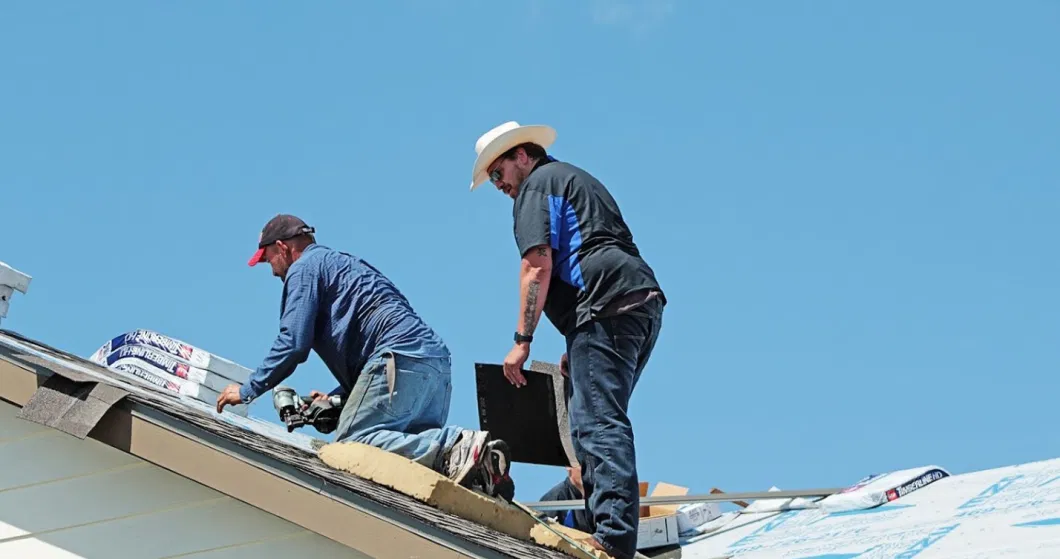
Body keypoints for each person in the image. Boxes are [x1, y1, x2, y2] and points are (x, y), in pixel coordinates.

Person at [468, 121, 666, 559]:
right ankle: (597, 520)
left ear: (521, 155)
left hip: (606, 310)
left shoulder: (536, 188)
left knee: (597, 422)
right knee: (590, 415)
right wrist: (578, 343)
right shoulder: (574, 180)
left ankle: (613, 540)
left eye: (498, 174)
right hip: (635, 306)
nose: (499, 185)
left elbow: (537, 265)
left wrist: (522, 340)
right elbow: (592, 247)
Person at [216, 214, 514, 499]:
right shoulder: (346, 264)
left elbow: (293, 343)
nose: (272, 271)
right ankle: (482, 471)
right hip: (432, 367)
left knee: (353, 446)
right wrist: (338, 398)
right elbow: (375, 330)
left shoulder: (304, 268)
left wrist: (247, 390)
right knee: (413, 470)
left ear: (283, 247)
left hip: (398, 359)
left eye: (268, 259)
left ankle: (455, 445)